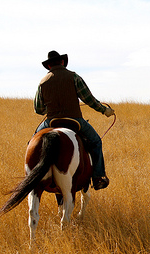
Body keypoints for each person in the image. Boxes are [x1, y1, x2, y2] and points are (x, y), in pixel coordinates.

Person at [33, 50, 114, 190]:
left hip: (51, 121)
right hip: (75, 120)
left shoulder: (42, 82)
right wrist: (104, 110)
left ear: (49, 66)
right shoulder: (74, 77)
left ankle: (32, 175)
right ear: (62, 62)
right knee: (96, 141)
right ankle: (98, 176)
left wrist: (51, 108)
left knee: (33, 143)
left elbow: (38, 109)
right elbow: (89, 99)